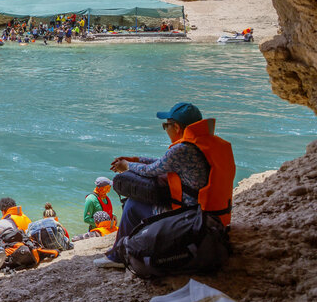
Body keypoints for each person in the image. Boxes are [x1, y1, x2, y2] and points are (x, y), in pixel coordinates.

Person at [95, 102, 236, 269]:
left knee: (133, 205)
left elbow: (150, 171)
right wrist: (136, 159)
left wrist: (126, 166)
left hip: (193, 219)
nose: (165, 129)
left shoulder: (181, 150)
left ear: (176, 127)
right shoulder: (210, 143)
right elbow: (164, 164)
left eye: (165, 125)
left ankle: (118, 257)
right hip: (216, 217)